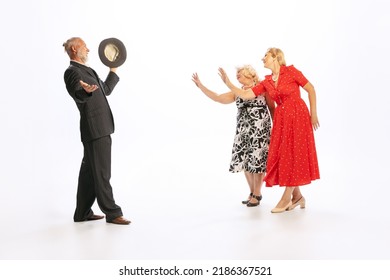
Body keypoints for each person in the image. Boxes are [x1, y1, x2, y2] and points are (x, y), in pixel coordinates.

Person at [218, 48, 320, 213]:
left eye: (265, 56)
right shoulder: (267, 82)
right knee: (283, 156)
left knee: (294, 154)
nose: (262, 58)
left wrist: (313, 114)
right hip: (281, 119)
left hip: (298, 115)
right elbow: (245, 93)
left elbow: (311, 89)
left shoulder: (291, 72)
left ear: (276, 57)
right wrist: (228, 83)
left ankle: (286, 197)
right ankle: (298, 196)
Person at [63, 37, 130, 225]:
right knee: (102, 172)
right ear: (75, 49)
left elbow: (106, 89)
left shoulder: (88, 70)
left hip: (100, 127)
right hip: (95, 129)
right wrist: (84, 90)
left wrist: (113, 69)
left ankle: (82, 212)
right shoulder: (72, 72)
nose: (89, 50)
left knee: (90, 173)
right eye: (85, 47)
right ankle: (113, 213)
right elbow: (77, 90)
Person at [192, 65, 274, 207]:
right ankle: (252, 192)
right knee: (245, 161)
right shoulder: (237, 92)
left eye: (240, 74)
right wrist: (201, 86)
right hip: (243, 131)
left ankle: (257, 193)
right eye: (236, 75)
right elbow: (218, 98)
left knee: (257, 161)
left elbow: (272, 107)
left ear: (250, 74)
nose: (237, 76)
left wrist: (275, 127)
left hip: (260, 130)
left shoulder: (262, 87)